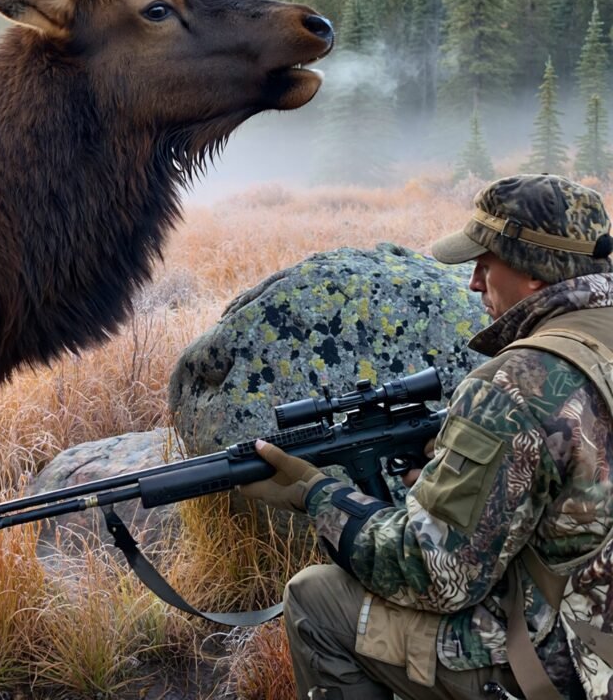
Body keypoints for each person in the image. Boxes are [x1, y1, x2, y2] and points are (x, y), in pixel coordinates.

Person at [242, 174, 613, 700]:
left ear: (535, 272)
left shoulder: (513, 385)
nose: (474, 283)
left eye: (486, 263)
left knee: (317, 601)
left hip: (570, 664)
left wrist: (317, 494)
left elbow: (435, 575)